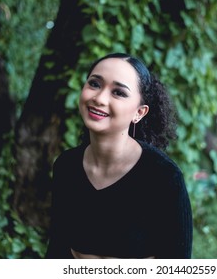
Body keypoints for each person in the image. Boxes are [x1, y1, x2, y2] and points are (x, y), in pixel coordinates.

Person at [45, 53, 193, 259]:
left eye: (118, 92)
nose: (99, 98)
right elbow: (57, 251)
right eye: (95, 84)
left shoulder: (164, 177)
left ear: (139, 113)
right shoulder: (66, 166)